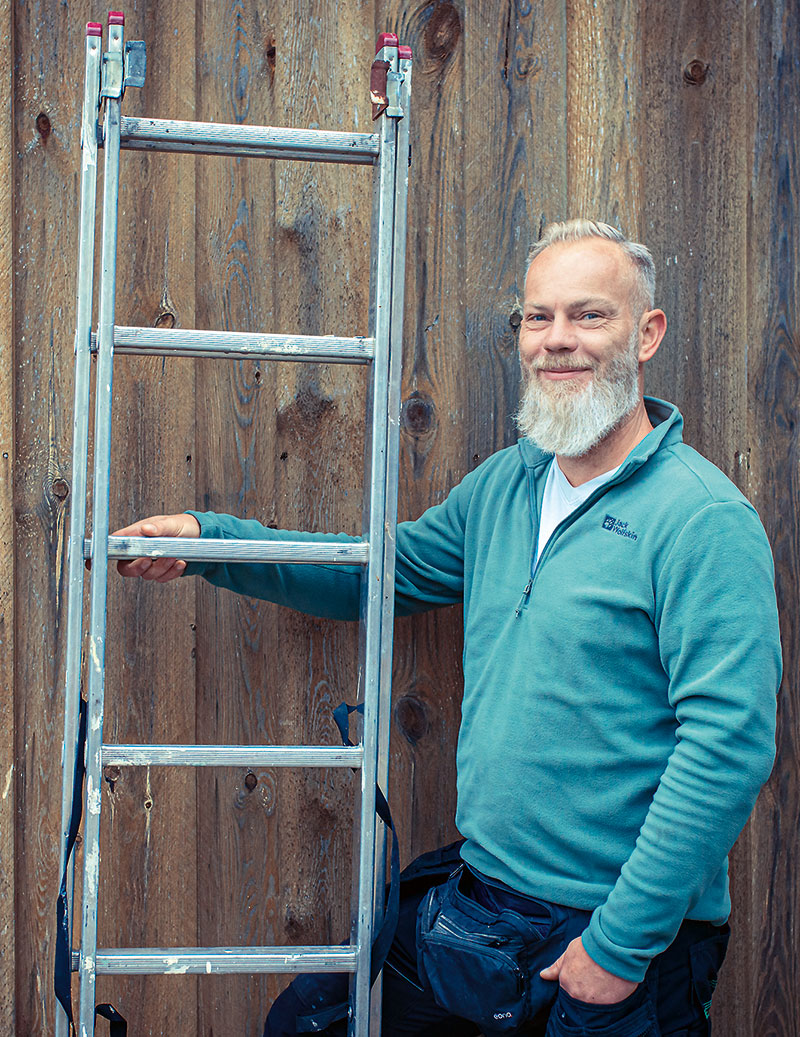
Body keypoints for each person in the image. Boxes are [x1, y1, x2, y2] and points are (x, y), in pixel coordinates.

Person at [114, 220, 781, 1036]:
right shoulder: (509, 482)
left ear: (647, 335)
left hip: (616, 938)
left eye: (588, 315)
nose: (556, 341)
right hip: (485, 905)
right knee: (306, 1022)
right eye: (537, 318)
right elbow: (377, 573)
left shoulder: (702, 519)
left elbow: (729, 744)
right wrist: (214, 543)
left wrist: (618, 945)